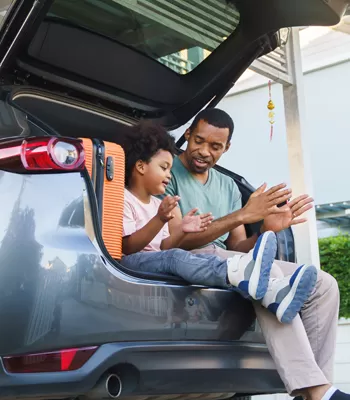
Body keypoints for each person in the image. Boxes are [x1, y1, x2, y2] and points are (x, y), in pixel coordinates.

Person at [162, 108, 346, 400]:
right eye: (199, 140)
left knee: (324, 285)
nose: (204, 151)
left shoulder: (228, 185)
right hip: (193, 260)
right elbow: (176, 242)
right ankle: (317, 392)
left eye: (215, 146)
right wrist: (242, 215)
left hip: (229, 261)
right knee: (265, 273)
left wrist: (266, 231)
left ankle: (317, 390)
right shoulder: (165, 169)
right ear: (187, 134)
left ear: (227, 148)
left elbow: (236, 247)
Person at [120, 121, 317, 327]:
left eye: (170, 168)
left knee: (177, 257)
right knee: (177, 258)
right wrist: (160, 219)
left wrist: (182, 231)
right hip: (134, 262)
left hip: (159, 260)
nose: (169, 174)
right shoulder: (123, 198)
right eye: (164, 168)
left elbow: (165, 246)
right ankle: (239, 272)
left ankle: (273, 293)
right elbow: (128, 247)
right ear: (141, 166)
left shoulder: (157, 204)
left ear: (226, 147)